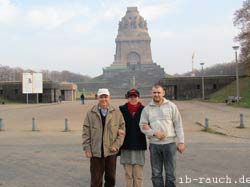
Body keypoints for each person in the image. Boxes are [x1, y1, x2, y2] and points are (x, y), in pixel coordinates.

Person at [139, 84, 185, 187]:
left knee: (170, 174)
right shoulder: (147, 109)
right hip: (154, 145)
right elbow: (142, 126)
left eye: (159, 92)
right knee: (156, 174)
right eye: (154, 92)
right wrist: (154, 133)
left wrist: (181, 142)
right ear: (152, 93)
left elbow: (178, 124)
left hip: (170, 144)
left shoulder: (171, 106)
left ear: (163, 93)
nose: (156, 95)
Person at [82, 88, 125, 187]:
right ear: (97, 98)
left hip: (111, 151)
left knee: (111, 178)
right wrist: (87, 148)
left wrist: (116, 145)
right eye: (101, 97)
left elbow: (122, 131)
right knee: (95, 179)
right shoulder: (90, 113)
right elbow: (86, 132)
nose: (103, 99)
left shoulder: (116, 113)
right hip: (95, 151)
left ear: (109, 97)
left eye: (105, 97)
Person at [119, 89, 147, 187]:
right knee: (128, 174)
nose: (133, 98)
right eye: (131, 96)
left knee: (138, 175)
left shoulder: (145, 110)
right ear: (128, 98)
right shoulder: (121, 109)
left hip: (139, 145)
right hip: (126, 145)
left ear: (138, 97)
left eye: (135, 96)